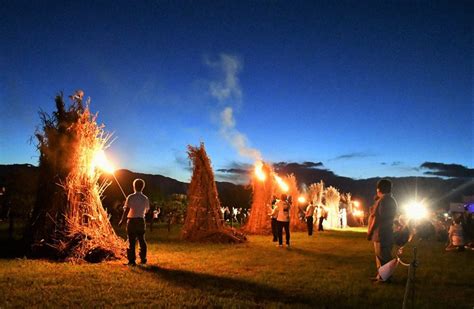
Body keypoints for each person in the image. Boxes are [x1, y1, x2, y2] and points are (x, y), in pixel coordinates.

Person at [367, 179, 398, 282]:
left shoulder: (384, 200)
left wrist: (370, 232)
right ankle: (380, 276)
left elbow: (377, 218)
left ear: (379, 189)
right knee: (380, 256)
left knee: (383, 256)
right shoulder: (390, 200)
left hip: (382, 233)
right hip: (384, 233)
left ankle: (386, 278)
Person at [119, 178, 150, 266]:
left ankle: (132, 261)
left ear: (134, 186)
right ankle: (143, 258)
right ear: (142, 187)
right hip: (141, 220)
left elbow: (126, 210)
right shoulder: (145, 198)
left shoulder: (130, 197)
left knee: (131, 241)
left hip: (132, 221)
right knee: (142, 240)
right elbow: (146, 210)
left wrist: (122, 220)